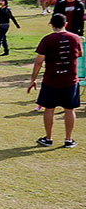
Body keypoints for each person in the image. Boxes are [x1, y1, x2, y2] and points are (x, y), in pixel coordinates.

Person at [28, 12, 82, 148]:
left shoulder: (47, 39)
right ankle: (68, 139)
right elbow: (80, 53)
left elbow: (39, 61)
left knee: (49, 109)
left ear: (51, 25)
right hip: (70, 81)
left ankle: (48, 138)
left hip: (51, 80)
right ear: (66, 24)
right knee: (69, 110)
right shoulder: (75, 38)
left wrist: (33, 79)